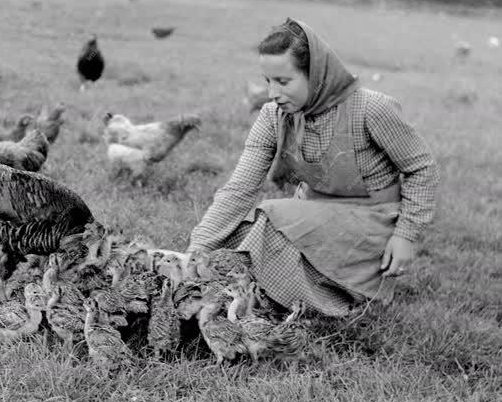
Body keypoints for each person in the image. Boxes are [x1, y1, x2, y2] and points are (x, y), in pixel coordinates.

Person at [186, 18, 440, 316]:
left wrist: (405, 236)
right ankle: (230, 295)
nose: (272, 94)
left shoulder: (371, 109)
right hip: (312, 217)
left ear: (316, 75)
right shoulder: (273, 116)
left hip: (369, 226)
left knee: (270, 221)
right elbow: (239, 189)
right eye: (268, 81)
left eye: (283, 81)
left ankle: (317, 300)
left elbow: (421, 168)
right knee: (240, 231)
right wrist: (195, 251)